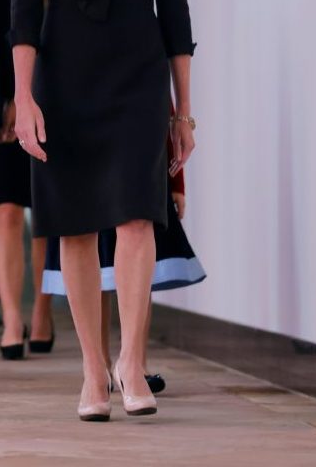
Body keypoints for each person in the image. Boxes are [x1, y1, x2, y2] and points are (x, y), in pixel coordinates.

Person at [10, 0, 195, 422]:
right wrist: (23, 98)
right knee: (76, 224)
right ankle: (93, 370)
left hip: (138, 82)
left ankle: (131, 363)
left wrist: (183, 111)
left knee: (139, 217)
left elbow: (176, 14)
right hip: (64, 82)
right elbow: (22, 16)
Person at [39, 110, 206, 394]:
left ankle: (136, 362)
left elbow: (164, 108)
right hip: (85, 140)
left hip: (133, 135)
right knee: (97, 262)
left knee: (139, 255)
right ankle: (99, 363)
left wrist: (176, 181)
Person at [0, 0, 55, 359]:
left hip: (49, 105)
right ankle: (12, 317)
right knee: (7, 212)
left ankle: (43, 311)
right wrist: (5, 100)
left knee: (46, 216)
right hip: (3, 109)